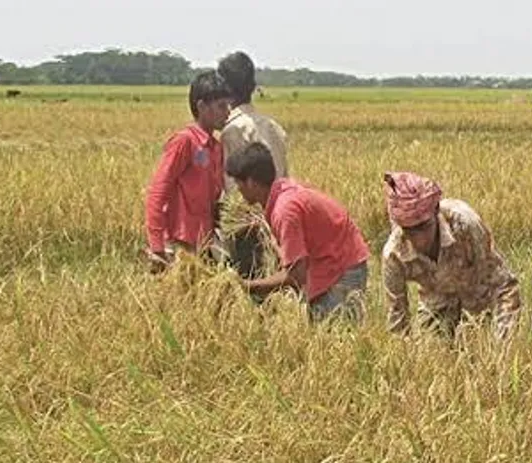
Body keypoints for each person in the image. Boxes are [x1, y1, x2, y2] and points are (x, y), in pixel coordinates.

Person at [224, 143, 371, 321]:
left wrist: (249, 286)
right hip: (330, 257)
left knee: (335, 330)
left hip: (343, 266)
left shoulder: (284, 211)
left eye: (239, 183)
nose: (238, 190)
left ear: (252, 183)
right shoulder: (280, 192)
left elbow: (295, 276)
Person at [381, 172, 522, 339]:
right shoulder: (394, 254)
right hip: (436, 304)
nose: (420, 239)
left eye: (424, 227)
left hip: (480, 299)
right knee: (430, 355)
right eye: (410, 231)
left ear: (436, 212)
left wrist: (504, 343)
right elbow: (398, 324)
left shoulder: (465, 224)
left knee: (487, 348)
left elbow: (503, 286)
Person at [143, 71, 231, 272]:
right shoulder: (185, 142)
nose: (227, 112)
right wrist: (157, 248)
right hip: (177, 244)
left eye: (228, 105)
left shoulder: (216, 148)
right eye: (221, 106)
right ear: (201, 107)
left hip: (203, 243)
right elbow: (158, 192)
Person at [217, 51, 289, 278]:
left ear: (225, 89)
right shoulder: (273, 127)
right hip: (278, 215)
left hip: (245, 223)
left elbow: (232, 187)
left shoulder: (232, 130)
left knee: (248, 281)